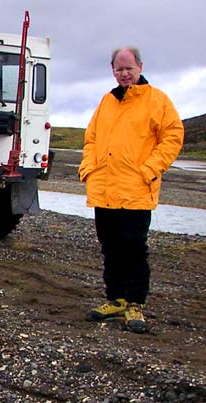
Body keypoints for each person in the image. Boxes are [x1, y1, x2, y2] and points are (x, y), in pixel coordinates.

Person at [79, 46, 184, 333]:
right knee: (110, 247)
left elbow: (173, 137)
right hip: (104, 189)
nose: (124, 74)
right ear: (112, 70)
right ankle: (116, 299)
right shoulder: (106, 102)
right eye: (118, 69)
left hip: (136, 190)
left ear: (140, 67)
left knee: (134, 248)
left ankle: (135, 304)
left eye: (129, 68)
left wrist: (149, 170)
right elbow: (91, 139)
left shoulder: (157, 100)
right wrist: (88, 168)